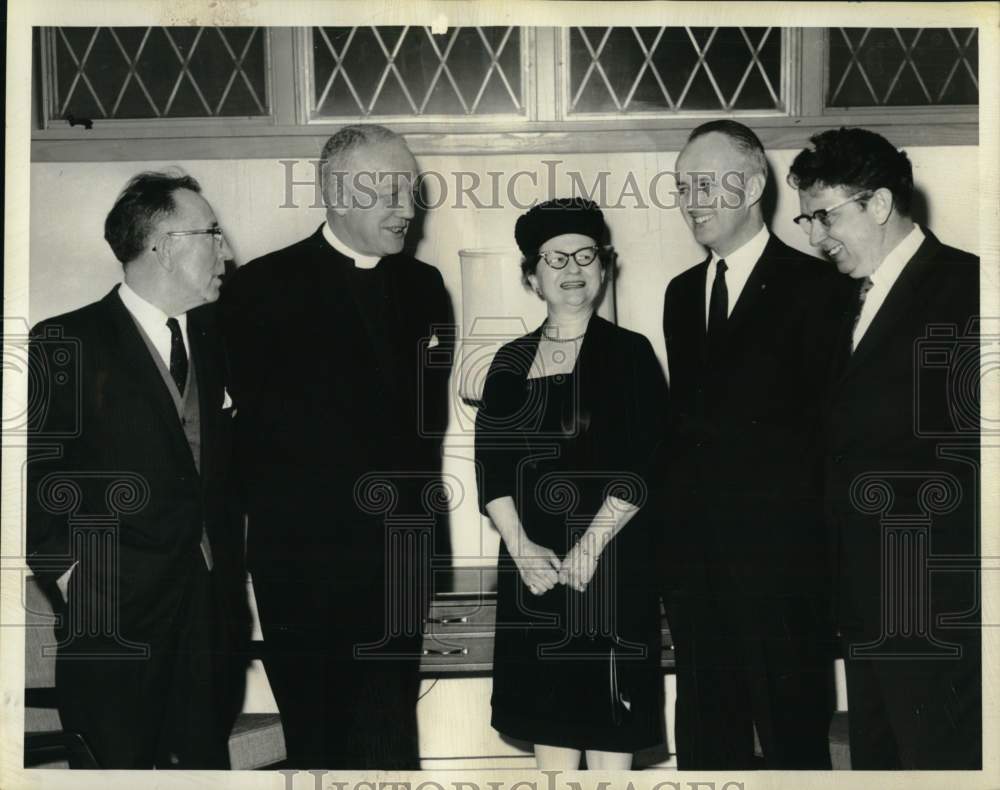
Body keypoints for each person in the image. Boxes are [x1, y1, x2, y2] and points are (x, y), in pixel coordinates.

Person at [219, 124, 453, 769]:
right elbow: (239, 439)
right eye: (387, 191)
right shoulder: (259, 289)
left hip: (398, 564)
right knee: (320, 751)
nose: (406, 207)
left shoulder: (426, 287)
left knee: (390, 750)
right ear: (337, 193)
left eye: (410, 190)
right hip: (304, 570)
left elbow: (424, 433)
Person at [26, 171, 242, 768]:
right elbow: (33, 481)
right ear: (165, 245)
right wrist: (72, 578)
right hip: (111, 624)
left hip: (207, 617)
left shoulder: (219, 340)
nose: (225, 249)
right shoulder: (65, 341)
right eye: (212, 234)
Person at [789, 127, 981, 770]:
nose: (815, 237)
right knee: (878, 764)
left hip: (937, 609)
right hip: (862, 599)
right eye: (807, 218)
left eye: (824, 216)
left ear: (876, 204)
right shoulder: (840, 300)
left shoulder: (969, 290)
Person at [661, 120, 848, 769]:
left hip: (783, 576)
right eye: (684, 186)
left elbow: (831, 439)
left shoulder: (820, 288)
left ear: (753, 186)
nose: (693, 200)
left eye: (708, 183)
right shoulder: (681, 295)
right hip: (696, 575)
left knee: (796, 746)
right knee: (707, 749)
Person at [475, 198, 667, 770]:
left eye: (585, 255)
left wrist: (589, 547)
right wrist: (520, 546)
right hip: (534, 573)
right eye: (554, 259)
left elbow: (646, 461)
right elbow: (493, 464)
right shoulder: (510, 360)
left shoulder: (630, 354)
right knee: (551, 745)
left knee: (611, 741)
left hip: (609, 567)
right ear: (532, 276)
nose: (572, 269)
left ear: (604, 268)